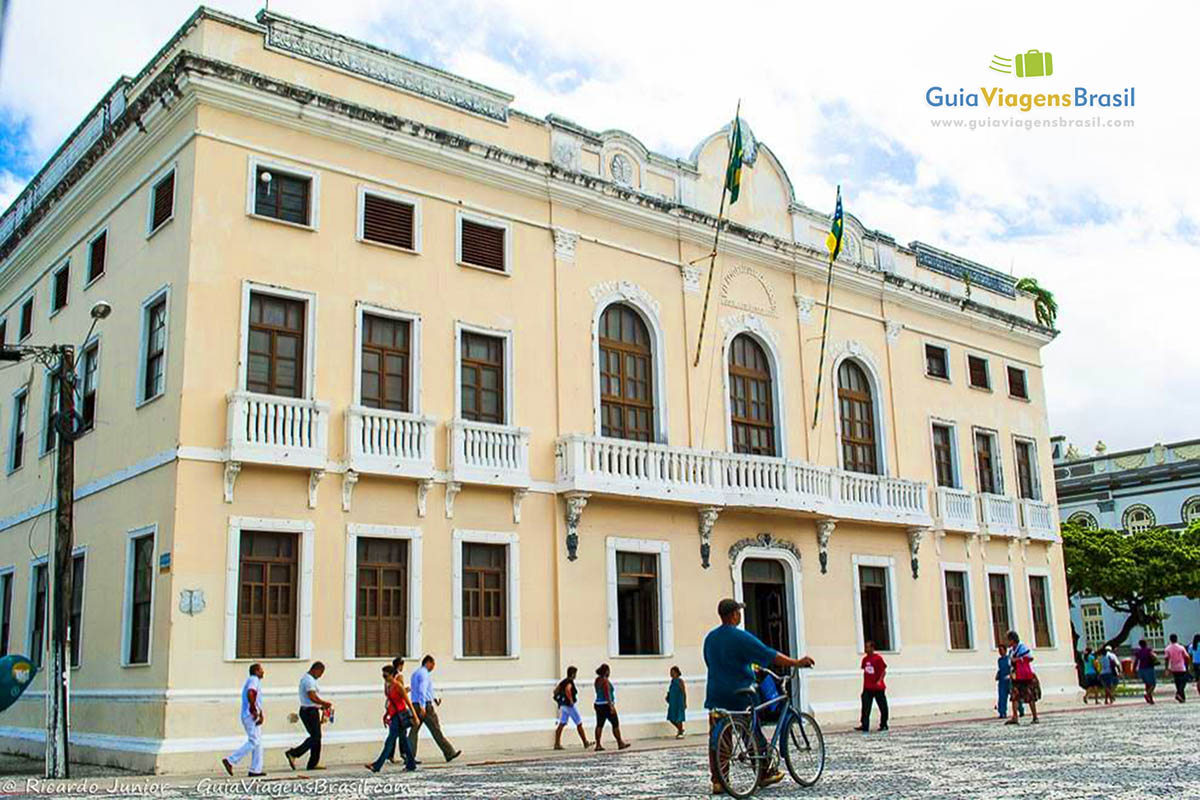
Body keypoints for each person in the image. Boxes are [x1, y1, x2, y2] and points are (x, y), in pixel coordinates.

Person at [703, 598, 814, 795]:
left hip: (715, 694)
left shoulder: (710, 638)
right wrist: (796, 662)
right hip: (740, 693)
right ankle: (764, 772)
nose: (740, 615)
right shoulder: (740, 637)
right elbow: (769, 654)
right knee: (751, 730)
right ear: (734, 614)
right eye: (739, 611)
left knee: (718, 738)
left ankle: (719, 781)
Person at [407, 655, 461, 763]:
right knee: (436, 729)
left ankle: (409, 756)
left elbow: (425, 690)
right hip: (425, 706)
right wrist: (423, 706)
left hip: (415, 704)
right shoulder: (424, 674)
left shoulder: (415, 673)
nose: (433, 667)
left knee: (414, 731)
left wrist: (434, 698)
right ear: (428, 663)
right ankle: (449, 752)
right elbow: (422, 690)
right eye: (433, 665)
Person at [366, 665, 417, 772]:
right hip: (394, 715)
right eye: (383, 674)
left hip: (400, 715)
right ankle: (411, 763)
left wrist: (415, 716)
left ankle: (377, 765)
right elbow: (390, 702)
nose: (384, 677)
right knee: (404, 740)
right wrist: (386, 714)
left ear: (392, 675)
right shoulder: (388, 686)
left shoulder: (398, 686)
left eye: (386, 675)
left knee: (390, 740)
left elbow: (407, 701)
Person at [285, 662, 333, 771]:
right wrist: (324, 703)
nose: (320, 676)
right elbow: (312, 697)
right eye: (320, 673)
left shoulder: (309, 679)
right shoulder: (308, 680)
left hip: (311, 709)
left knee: (316, 737)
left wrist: (320, 706)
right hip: (309, 712)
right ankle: (293, 753)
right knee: (315, 737)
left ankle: (313, 763)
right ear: (315, 670)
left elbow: (312, 699)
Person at [222, 663, 266, 777]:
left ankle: (255, 770)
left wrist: (261, 714)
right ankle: (231, 760)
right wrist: (253, 709)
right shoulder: (253, 679)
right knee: (254, 741)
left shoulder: (255, 681)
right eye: (261, 670)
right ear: (256, 671)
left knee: (258, 743)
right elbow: (251, 693)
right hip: (250, 715)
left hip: (253, 714)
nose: (263, 672)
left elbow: (257, 700)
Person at [593, 663, 630, 751]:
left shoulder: (597, 680)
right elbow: (607, 694)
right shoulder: (605, 681)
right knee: (615, 723)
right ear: (606, 671)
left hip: (598, 704)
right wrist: (611, 706)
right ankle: (620, 742)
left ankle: (598, 744)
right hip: (606, 704)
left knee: (599, 724)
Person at [553, 666, 591, 750]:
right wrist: (570, 700)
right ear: (573, 674)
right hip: (569, 706)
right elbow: (568, 689)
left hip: (563, 706)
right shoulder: (569, 682)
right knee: (579, 723)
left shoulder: (563, 681)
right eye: (575, 673)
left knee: (562, 723)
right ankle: (585, 742)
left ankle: (557, 743)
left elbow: (555, 691)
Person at [1005, 631, 1038, 725]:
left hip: (1024, 675)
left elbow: (1030, 658)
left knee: (1030, 696)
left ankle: (1035, 716)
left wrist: (1018, 659)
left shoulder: (1021, 647)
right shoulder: (1012, 651)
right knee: (1014, 696)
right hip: (1016, 676)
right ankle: (1015, 717)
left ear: (1012, 640)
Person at [1164, 633, 1192, 703]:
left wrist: (1166, 668)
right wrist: (1187, 664)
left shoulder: (1168, 648)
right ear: (1176, 639)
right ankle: (1179, 693)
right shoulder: (1181, 647)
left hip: (1174, 667)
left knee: (1177, 682)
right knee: (1183, 681)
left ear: (1170, 640)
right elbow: (1187, 657)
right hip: (1181, 667)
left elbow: (1166, 659)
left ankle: (1182, 697)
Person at [1131, 638, 1157, 704]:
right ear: (1146, 644)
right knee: (1153, 684)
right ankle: (1148, 694)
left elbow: (1136, 661)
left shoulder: (1138, 652)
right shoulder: (1149, 650)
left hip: (1141, 669)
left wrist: (1134, 670)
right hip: (1149, 668)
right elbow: (1154, 656)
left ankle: (1150, 699)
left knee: (1147, 684)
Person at [666, 665, 687, 738]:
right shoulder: (672, 682)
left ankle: (680, 732)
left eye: (673, 672)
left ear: (677, 673)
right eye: (670, 672)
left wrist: (684, 702)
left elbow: (683, 692)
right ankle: (680, 729)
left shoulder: (680, 681)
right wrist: (668, 696)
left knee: (679, 717)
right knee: (671, 718)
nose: (671, 674)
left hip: (679, 701)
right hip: (673, 702)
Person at [996, 644, 1012, 718]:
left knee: (1014, 696)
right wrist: (998, 674)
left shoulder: (1009, 659)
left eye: (1001, 650)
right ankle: (1002, 712)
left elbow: (1012, 668)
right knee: (1002, 697)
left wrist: (1010, 675)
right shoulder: (999, 660)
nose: (1000, 652)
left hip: (1009, 680)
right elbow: (1000, 669)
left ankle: (1020, 709)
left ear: (1005, 650)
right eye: (999, 650)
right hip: (1002, 680)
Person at [1190, 635, 1200, 699]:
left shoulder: (1191, 646)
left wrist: (1190, 665)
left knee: (1198, 679)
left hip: (1195, 663)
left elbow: (1190, 656)